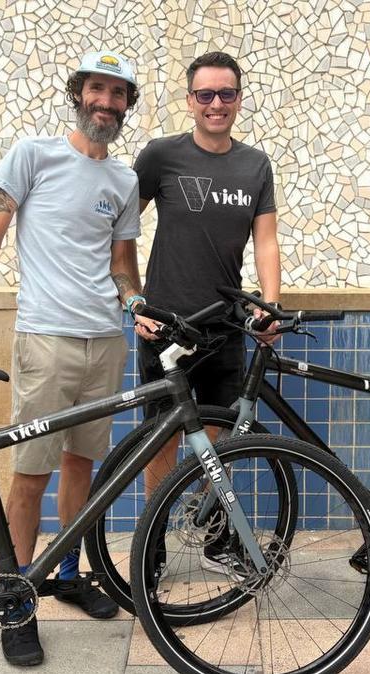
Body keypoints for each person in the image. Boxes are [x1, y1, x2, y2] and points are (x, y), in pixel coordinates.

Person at [0, 49, 144, 667]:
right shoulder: (33, 154)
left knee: (83, 465)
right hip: (46, 340)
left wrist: (137, 306)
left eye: (118, 94)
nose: (106, 103)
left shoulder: (124, 182)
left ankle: (67, 573)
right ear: (78, 93)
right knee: (31, 472)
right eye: (97, 90)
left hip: (106, 341)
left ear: (127, 106)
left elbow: (123, 269)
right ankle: (16, 599)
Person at [131, 51, 280, 576]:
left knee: (222, 439)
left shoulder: (255, 164)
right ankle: (153, 546)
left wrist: (270, 306)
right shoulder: (160, 157)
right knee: (162, 441)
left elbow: (266, 240)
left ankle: (217, 537)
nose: (216, 104)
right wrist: (132, 303)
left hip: (225, 324)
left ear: (239, 98)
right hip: (165, 325)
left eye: (226, 94)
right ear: (190, 100)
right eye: (205, 95)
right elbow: (121, 232)